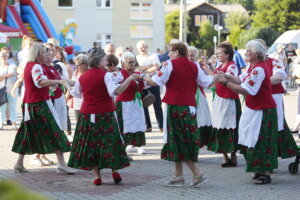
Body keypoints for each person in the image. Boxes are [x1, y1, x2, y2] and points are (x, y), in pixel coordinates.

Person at [143, 42, 211, 187]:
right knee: (178, 140)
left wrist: (143, 77)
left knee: (179, 141)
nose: (168, 54)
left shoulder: (169, 64)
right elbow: (206, 83)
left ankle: (197, 173)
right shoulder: (194, 65)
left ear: (177, 51)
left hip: (176, 107)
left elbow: (156, 81)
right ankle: (178, 176)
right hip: (190, 107)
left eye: (170, 51)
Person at [68, 48, 138, 186]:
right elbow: (115, 91)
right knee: (110, 142)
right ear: (99, 60)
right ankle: (114, 170)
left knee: (93, 144)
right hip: (105, 114)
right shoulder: (106, 75)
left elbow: (76, 94)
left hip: (87, 115)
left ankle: (97, 176)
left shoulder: (83, 76)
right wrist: (130, 78)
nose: (106, 61)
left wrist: (66, 85)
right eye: (105, 59)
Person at [218, 40, 278, 184]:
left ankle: (263, 173)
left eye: (249, 51)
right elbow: (239, 80)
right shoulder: (253, 67)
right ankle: (257, 169)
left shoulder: (259, 69)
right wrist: (225, 75)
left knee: (259, 141)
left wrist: (225, 82)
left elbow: (245, 89)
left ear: (256, 54)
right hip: (254, 108)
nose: (246, 53)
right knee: (250, 139)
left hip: (262, 110)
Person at [11, 44, 76, 175]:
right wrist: (57, 82)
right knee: (54, 131)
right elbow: (40, 82)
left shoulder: (31, 66)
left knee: (28, 133)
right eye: (44, 53)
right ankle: (62, 164)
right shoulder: (36, 66)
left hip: (31, 104)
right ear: (37, 54)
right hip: (38, 104)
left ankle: (19, 163)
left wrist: (59, 82)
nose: (47, 55)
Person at [207, 42, 241, 167]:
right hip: (220, 99)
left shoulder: (232, 66)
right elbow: (214, 76)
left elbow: (230, 78)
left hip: (229, 100)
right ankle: (225, 156)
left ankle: (233, 155)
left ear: (227, 54)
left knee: (230, 126)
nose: (217, 55)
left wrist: (217, 75)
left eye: (220, 53)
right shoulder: (220, 65)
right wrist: (209, 66)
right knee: (219, 125)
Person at [115, 51, 148, 155]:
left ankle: (139, 145)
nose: (132, 64)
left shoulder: (139, 74)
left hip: (137, 104)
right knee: (125, 125)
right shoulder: (119, 75)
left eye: (134, 62)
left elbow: (149, 82)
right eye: (129, 62)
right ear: (123, 63)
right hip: (124, 104)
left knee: (138, 123)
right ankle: (123, 147)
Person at [187, 46, 213, 147]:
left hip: (198, 94)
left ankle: (198, 142)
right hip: (189, 95)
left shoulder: (197, 66)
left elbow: (205, 80)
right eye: (188, 55)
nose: (189, 57)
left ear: (196, 56)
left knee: (201, 117)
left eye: (192, 56)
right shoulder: (186, 65)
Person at [136, 40, 163, 132]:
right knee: (144, 105)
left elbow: (156, 67)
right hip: (142, 84)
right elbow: (137, 69)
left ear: (147, 47)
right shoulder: (137, 57)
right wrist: (150, 66)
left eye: (143, 47)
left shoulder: (153, 55)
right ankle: (148, 126)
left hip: (154, 82)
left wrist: (143, 71)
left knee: (157, 104)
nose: (141, 49)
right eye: (139, 48)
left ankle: (161, 126)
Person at [68, 54, 89, 122]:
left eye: (78, 65)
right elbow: (74, 83)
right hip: (77, 103)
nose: (76, 67)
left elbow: (76, 88)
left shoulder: (88, 73)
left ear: (85, 64)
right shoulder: (76, 72)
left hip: (86, 103)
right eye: (75, 65)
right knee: (78, 123)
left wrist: (66, 84)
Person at [0, 51, 18, 129]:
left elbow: (17, 75)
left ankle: (14, 123)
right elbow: (11, 74)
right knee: (2, 107)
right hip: (1, 90)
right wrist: (9, 75)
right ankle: (1, 123)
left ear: (7, 57)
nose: (3, 58)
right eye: (1, 56)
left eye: (4, 56)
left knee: (13, 107)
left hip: (12, 89)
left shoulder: (12, 66)